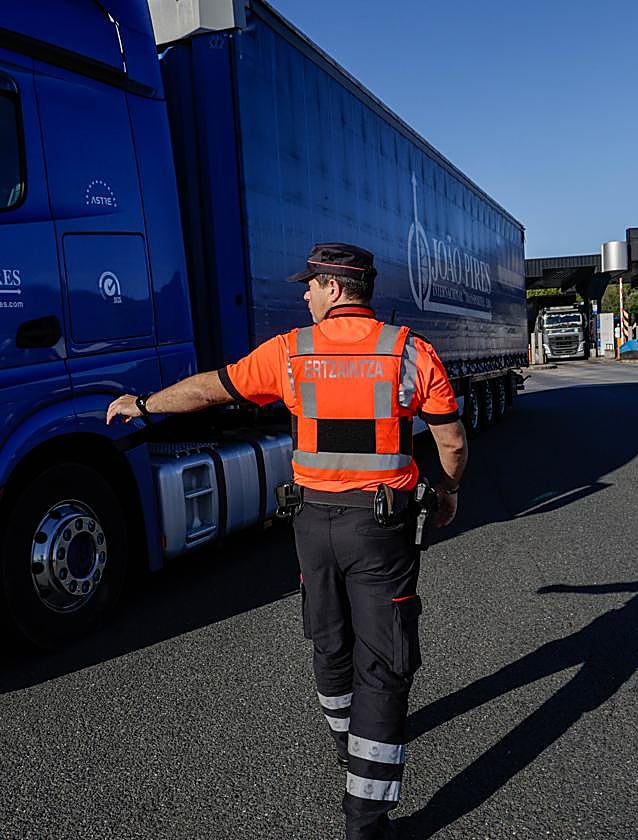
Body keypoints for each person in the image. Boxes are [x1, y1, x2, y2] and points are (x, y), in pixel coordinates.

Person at [106, 243, 468, 840]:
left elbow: (208, 391)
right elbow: (450, 441)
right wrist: (448, 491)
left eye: (310, 285)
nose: (303, 294)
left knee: (329, 641)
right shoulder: (408, 351)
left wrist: (143, 404)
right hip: (380, 528)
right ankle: (365, 820)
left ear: (334, 287)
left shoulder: (291, 352)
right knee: (383, 661)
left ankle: (347, 748)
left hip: (312, 525)